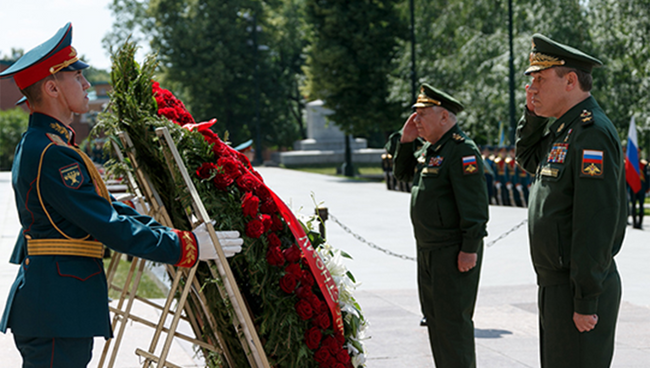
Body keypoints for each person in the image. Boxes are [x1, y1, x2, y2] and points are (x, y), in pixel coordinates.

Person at [0, 23, 243, 367]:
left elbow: (104, 208)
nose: (87, 85)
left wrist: (172, 232)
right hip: (57, 307)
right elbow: (108, 225)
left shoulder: (49, 145)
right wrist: (186, 247)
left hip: (56, 305)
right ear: (52, 88)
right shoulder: (52, 153)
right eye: (77, 77)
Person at [515, 34, 626, 368]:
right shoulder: (565, 130)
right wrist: (532, 114)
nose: (532, 87)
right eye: (531, 80)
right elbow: (527, 156)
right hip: (558, 284)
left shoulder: (590, 133)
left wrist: (586, 298)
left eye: (539, 78)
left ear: (571, 81)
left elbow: (595, 223)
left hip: (576, 286)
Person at [393, 84, 489, 368]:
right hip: (429, 250)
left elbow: (474, 207)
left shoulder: (462, 151)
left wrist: (469, 249)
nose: (416, 120)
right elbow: (401, 174)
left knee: (453, 325)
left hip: (452, 252)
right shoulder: (433, 149)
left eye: (422, 114)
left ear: (445, 117)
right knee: (435, 320)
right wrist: (406, 140)